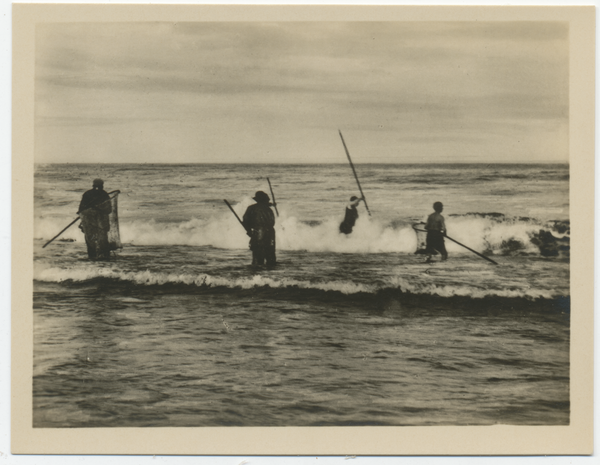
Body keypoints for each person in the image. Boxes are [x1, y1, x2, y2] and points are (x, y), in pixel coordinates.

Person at [78, 178, 112, 260]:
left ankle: (92, 256)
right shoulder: (104, 194)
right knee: (101, 237)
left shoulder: (87, 194)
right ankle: (104, 257)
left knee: (90, 238)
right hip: (99, 221)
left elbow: (81, 209)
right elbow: (109, 210)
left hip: (91, 221)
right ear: (102, 185)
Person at [242, 191, 276, 267]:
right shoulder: (269, 209)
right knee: (270, 258)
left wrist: (249, 231)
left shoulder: (251, 208)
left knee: (258, 259)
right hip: (270, 234)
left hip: (259, 233)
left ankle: (258, 276)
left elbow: (245, 221)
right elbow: (272, 222)